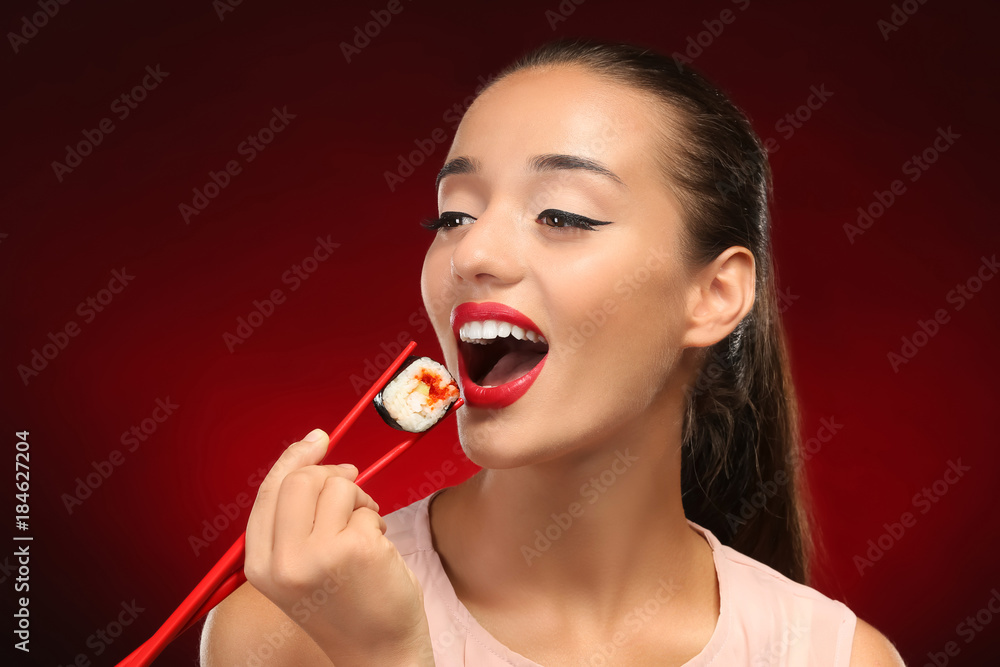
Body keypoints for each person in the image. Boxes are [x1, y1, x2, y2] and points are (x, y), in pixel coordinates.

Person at [201, 37, 905, 666]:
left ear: (715, 293)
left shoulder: (833, 656)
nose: (472, 251)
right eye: (453, 214)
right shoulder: (283, 635)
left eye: (561, 215)